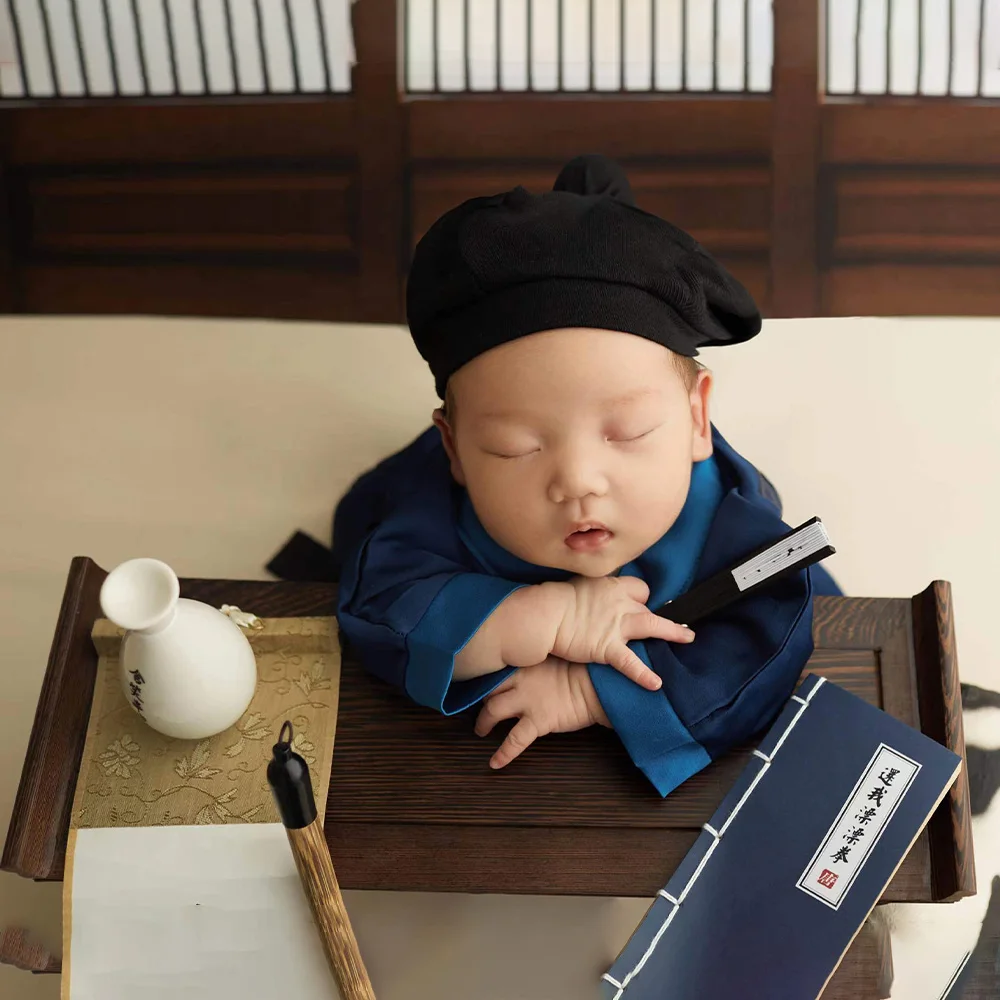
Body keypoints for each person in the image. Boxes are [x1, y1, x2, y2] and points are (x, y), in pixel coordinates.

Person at [295, 154, 841, 797]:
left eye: (630, 433)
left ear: (697, 417)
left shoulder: (727, 519)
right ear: (456, 449)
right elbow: (380, 601)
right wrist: (528, 618)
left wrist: (591, 689)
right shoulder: (433, 503)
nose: (578, 480)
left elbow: (765, 638)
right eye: (513, 447)